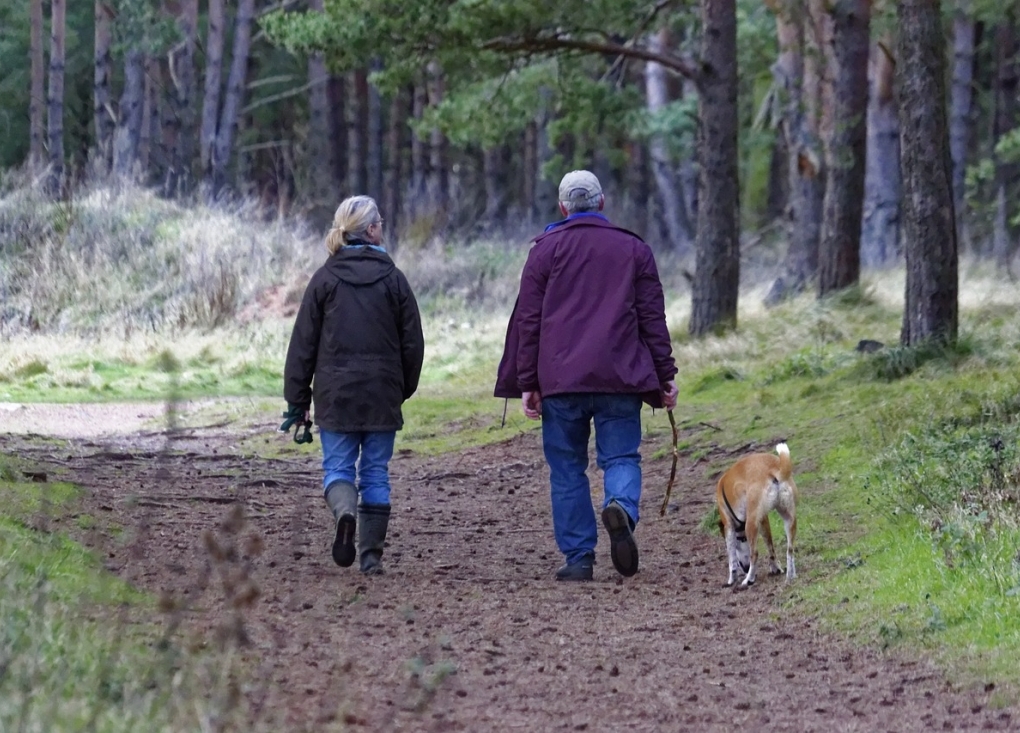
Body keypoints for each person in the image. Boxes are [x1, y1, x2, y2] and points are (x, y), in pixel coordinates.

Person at [495, 170, 678, 581]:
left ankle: (579, 557)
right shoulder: (633, 249)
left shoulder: (543, 251)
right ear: (602, 203)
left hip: (561, 382)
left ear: (562, 208)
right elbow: (652, 318)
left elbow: (529, 321)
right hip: (620, 377)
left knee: (566, 468)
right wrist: (665, 374)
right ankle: (621, 510)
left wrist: (528, 382)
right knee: (621, 457)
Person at [282, 195, 424, 575]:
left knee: (338, 470)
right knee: (375, 472)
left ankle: (344, 512)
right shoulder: (394, 279)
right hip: (382, 393)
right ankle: (371, 555)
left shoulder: (324, 279)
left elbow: (303, 345)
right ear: (373, 229)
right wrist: (402, 389)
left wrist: (298, 401)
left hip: (335, 394)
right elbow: (413, 343)